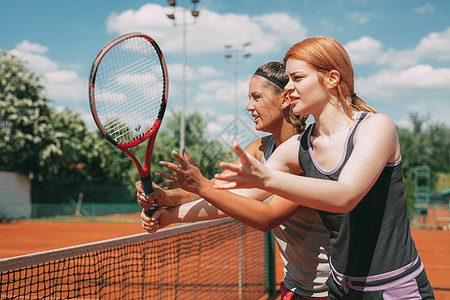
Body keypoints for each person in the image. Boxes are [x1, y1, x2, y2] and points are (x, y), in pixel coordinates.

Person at [154, 37, 435, 299]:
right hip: (340, 288)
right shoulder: (297, 148)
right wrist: (173, 212)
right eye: (287, 78)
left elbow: (345, 196)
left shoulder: (376, 126)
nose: (288, 87)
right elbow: (241, 198)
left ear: (332, 78)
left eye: (297, 78)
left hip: (394, 287)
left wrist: (265, 178)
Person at [138, 61, 331, 299]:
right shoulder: (259, 149)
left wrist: (171, 215)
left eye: (256, 97)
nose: (249, 106)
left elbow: (266, 217)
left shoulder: (307, 152)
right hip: (294, 286)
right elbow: (220, 191)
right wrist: (166, 198)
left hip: (328, 291)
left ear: (284, 100)